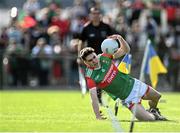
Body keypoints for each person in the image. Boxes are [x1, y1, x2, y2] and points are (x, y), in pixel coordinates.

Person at [79, 34, 167, 121]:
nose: (94, 60)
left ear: (95, 54)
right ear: (86, 63)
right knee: (148, 119)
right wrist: (97, 115)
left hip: (134, 84)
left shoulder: (104, 57)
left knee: (157, 96)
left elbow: (126, 50)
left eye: (94, 57)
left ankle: (153, 110)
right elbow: (93, 96)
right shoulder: (90, 76)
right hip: (128, 98)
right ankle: (154, 115)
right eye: (90, 60)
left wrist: (120, 38)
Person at [73, 7, 117, 105]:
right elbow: (81, 42)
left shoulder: (106, 27)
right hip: (91, 59)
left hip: (103, 57)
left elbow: (112, 41)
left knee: (103, 77)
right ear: (90, 15)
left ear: (100, 15)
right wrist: (79, 56)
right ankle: (97, 98)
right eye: (94, 13)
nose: (95, 15)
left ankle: (101, 97)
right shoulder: (86, 28)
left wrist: (113, 54)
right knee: (94, 78)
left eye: (97, 13)